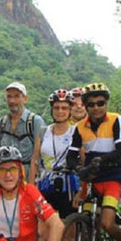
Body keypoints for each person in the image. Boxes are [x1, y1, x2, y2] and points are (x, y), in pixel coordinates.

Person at [65, 83, 121, 241]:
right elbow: (71, 156)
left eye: (101, 103)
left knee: (106, 223)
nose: (96, 108)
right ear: (85, 106)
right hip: (91, 178)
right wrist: (79, 169)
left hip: (113, 177)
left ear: (106, 103)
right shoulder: (79, 127)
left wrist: (101, 160)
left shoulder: (115, 119)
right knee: (89, 224)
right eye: (91, 104)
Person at [30, 89, 77, 218]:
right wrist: (31, 188)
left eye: (64, 108)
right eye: (56, 108)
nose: (60, 111)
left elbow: (83, 159)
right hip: (45, 183)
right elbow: (35, 160)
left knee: (68, 229)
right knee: (42, 227)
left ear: (70, 110)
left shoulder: (76, 132)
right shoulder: (43, 131)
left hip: (68, 186)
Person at [0, 82, 46, 177]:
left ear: (25, 99)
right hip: (6, 179)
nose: (12, 101)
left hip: (28, 178)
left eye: (17, 96)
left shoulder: (36, 122)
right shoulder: (1, 123)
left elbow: (41, 157)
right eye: (9, 97)